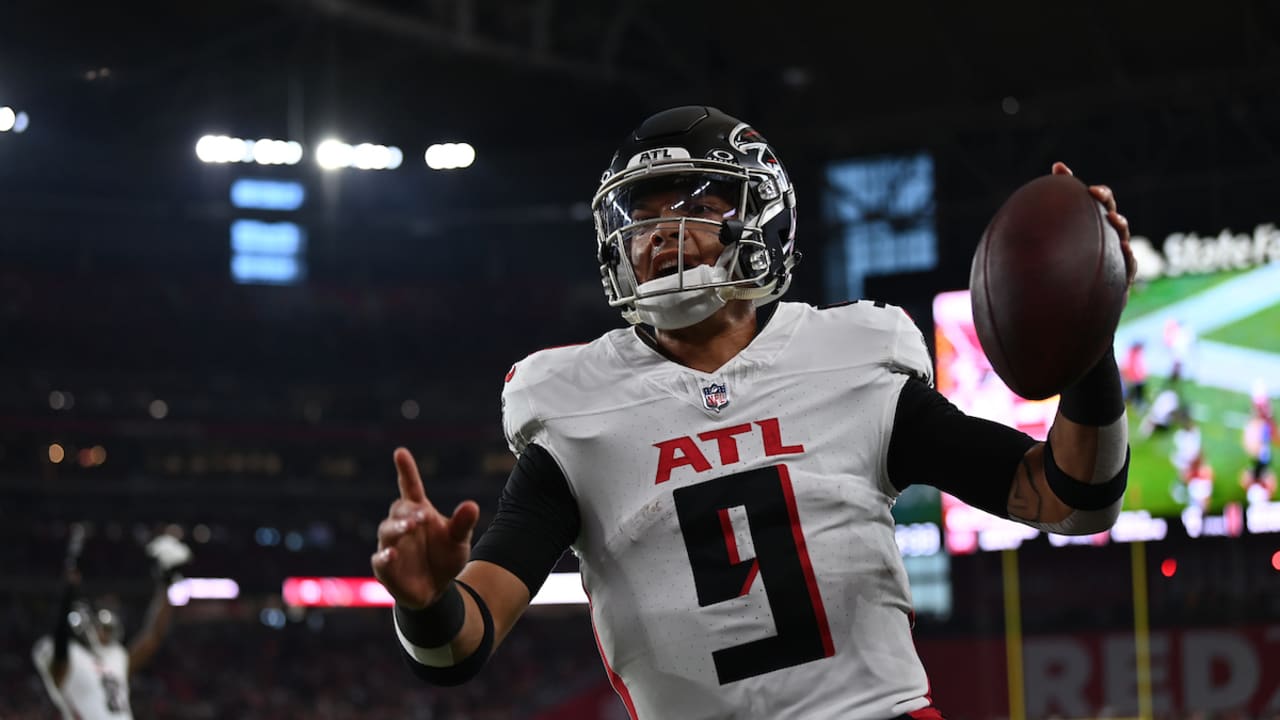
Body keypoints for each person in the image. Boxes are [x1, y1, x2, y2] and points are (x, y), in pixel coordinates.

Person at [372, 106, 1136, 719]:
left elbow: (1071, 498)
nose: (662, 232)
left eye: (697, 204)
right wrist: (427, 602)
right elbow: (459, 651)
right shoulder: (575, 406)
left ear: (762, 223)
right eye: (643, 211)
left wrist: (1089, 335)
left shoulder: (851, 358)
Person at [32, 530, 192, 720]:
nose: (107, 633)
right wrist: (68, 595)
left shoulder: (114, 657)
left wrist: (166, 582)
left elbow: (154, 635)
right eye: (103, 628)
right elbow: (60, 645)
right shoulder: (69, 659)